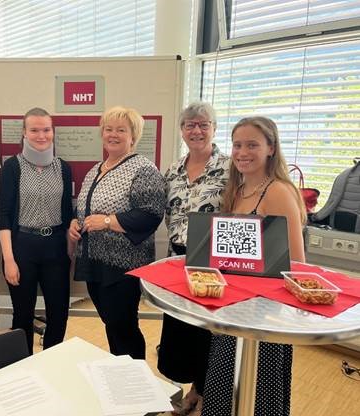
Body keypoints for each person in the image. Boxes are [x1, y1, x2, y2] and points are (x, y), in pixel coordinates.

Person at [201, 116, 306, 416]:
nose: (242, 152)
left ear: (271, 148)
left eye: (252, 145)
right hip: (233, 304)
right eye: (237, 145)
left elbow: (296, 263)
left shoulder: (279, 192)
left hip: (265, 314)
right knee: (223, 384)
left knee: (258, 393)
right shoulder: (236, 189)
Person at [68, 106, 166, 359]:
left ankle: (135, 381)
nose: (113, 134)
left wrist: (108, 222)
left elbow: (150, 214)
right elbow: (85, 208)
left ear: (133, 136)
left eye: (121, 130)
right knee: (112, 325)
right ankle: (120, 375)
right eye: (108, 129)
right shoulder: (95, 169)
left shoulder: (143, 169)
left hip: (123, 266)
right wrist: (75, 223)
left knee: (124, 328)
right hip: (95, 262)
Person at [157, 102, 230, 416]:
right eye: (189, 125)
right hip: (178, 257)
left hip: (214, 262)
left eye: (203, 124)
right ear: (182, 130)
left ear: (214, 128)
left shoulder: (230, 167)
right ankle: (192, 389)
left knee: (208, 332)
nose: (196, 131)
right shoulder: (173, 168)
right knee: (183, 328)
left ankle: (203, 395)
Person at [0, 107, 72, 354]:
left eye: (46, 129)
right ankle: (24, 366)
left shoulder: (63, 167)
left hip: (55, 248)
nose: (41, 135)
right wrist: (9, 259)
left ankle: (51, 361)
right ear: (24, 133)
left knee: (59, 312)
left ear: (53, 131)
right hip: (22, 248)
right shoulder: (12, 167)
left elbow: (67, 215)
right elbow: (4, 215)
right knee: (22, 315)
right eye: (35, 130)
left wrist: (71, 250)